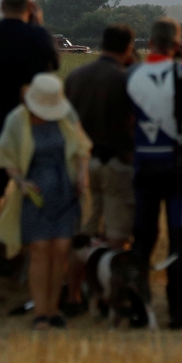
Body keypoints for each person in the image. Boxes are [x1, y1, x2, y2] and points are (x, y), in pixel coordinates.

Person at [0, 73, 91, 330]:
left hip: (65, 193)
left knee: (60, 250)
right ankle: (40, 313)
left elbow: (81, 149)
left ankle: (54, 309)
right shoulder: (17, 120)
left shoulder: (67, 117)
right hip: (34, 193)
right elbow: (5, 155)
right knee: (39, 250)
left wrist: (81, 175)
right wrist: (20, 182)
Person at [127, 16, 182, 328]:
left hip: (143, 164)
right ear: (176, 44)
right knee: (179, 238)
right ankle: (178, 308)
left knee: (142, 240)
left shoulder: (131, 75)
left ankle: (138, 308)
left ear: (149, 43)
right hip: (178, 167)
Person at [0, 0, 60, 218]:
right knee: (34, 188)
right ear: (29, 7)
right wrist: (36, 25)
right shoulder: (38, 36)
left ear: (1, 5)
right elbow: (54, 65)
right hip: (30, 123)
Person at [64, 24, 137, 247]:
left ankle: (76, 282)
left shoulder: (75, 77)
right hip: (116, 162)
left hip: (82, 164)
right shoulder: (123, 80)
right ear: (128, 48)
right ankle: (109, 275)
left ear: (102, 44)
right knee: (117, 230)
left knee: (83, 233)